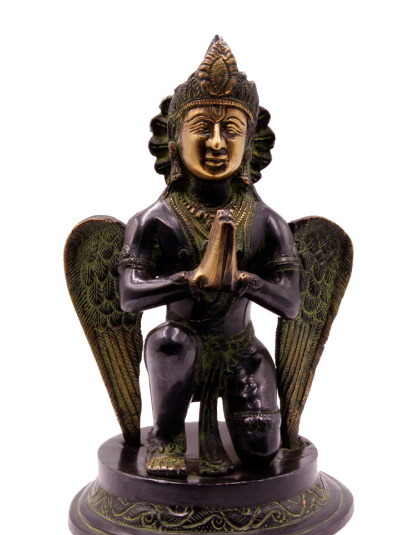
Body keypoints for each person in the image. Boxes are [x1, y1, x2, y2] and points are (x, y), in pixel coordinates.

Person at [118, 36, 300, 478]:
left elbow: (292, 303)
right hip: (181, 347)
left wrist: (246, 281)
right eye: (202, 127)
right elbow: (128, 295)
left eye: (231, 130)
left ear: (250, 143)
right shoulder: (153, 221)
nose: (217, 143)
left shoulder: (265, 222)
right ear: (175, 140)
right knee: (168, 341)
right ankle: (167, 435)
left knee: (261, 452)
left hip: (242, 351)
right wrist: (187, 280)